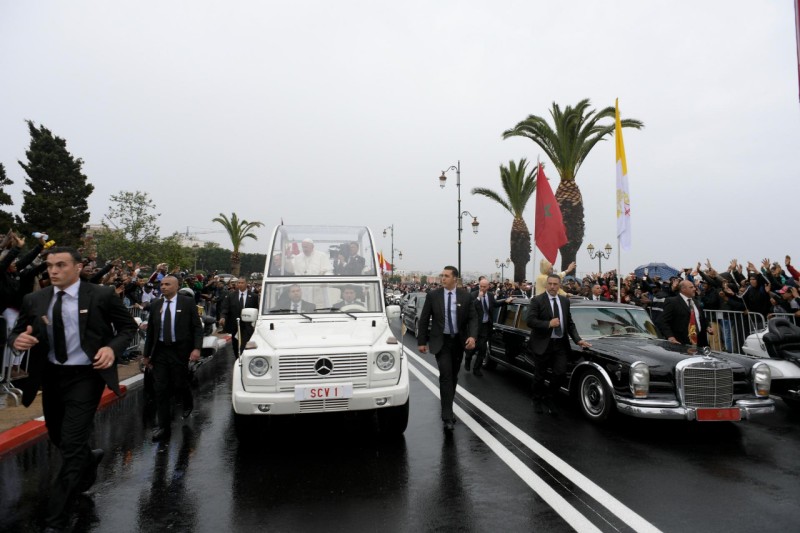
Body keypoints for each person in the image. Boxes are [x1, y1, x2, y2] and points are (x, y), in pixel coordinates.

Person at [9, 247, 137, 532]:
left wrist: (111, 348)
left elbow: (128, 327)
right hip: (52, 377)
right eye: (50, 266)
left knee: (70, 445)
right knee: (60, 438)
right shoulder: (35, 299)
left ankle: (55, 518)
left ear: (78, 268)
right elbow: (17, 332)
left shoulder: (101, 295)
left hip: (86, 377)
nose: (53, 270)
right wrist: (18, 341)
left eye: (61, 265)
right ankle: (89, 458)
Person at [417, 266, 478, 431]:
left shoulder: (465, 296)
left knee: (453, 376)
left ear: (455, 279)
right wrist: (421, 341)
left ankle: (448, 405)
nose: (443, 278)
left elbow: (473, 318)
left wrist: (472, 336)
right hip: (441, 342)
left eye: (446, 276)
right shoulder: (433, 296)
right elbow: (424, 319)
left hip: (458, 342)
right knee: (445, 375)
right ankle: (447, 415)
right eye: (442, 276)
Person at [142, 275, 202, 442]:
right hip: (160, 352)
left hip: (179, 351)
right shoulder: (156, 304)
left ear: (176, 286)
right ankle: (163, 427)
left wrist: (196, 348)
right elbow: (151, 332)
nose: (163, 287)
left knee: (179, 384)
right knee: (160, 389)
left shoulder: (187, 303)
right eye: (161, 284)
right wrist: (146, 355)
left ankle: (187, 401)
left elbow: (196, 327)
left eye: (167, 284)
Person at [526, 274, 591, 415]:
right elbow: (530, 321)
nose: (552, 286)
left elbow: (569, 323)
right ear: (546, 284)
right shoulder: (537, 300)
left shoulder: (564, 301)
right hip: (542, 344)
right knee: (539, 376)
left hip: (560, 344)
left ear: (560, 285)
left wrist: (578, 340)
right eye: (550, 283)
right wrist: (548, 324)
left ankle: (549, 398)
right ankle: (536, 400)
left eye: (555, 284)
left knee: (561, 373)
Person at [466, 277, 511, 376]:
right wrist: (479, 298)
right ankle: (468, 357)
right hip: (476, 326)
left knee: (482, 348)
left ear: (488, 287)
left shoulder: (490, 295)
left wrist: (505, 301)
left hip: (486, 325)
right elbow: (470, 308)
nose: (482, 288)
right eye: (480, 286)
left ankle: (476, 369)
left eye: (484, 287)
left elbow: (495, 304)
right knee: (473, 346)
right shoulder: (473, 295)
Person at [657, 280, 714, 347]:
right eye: (691, 287)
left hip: (701, 342)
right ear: (683, 289)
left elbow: (701, 318)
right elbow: (662, 321)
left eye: (694, 287)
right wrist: (670, 336)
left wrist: (708, 326)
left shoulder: (696, 302)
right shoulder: (672, 302)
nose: (694, 289)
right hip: (682, 343)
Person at [219, 278, 259, 356]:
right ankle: (238, 359)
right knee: (235, 345)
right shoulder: (231, 296)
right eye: (239, 283)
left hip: (248, 325)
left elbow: (256, 309)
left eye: (242, 283)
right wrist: (223, 317)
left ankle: (244, 358)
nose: (240, 284)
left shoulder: (254, 296)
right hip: (235, 325)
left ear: (246, 283)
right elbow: (225, 308)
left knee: (245, 344)